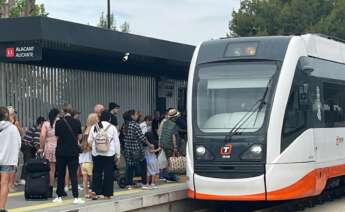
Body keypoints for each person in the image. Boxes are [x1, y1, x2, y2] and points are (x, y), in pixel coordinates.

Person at [54, 104, 84, 204]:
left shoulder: (58, 122)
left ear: (63, 111)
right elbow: (79, 137)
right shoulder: (77, 122)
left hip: (61, 152)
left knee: (61, 174)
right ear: (71, 111)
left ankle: (59, 196)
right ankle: (76, 197)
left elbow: (57, 137)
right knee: (73, 175)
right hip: (73, 152)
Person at [88, 111, 120, 200]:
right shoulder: (112, 127)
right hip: (109, 153)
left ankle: (96, 192)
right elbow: (117, 142)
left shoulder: (95, 126)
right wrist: (118, 155)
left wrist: (94, 147)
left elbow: (89, 140)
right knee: (108, 173)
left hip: (96, 153)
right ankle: (107, 194)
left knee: (96, 172)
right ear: (109, 118)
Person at [122, 110, 153, 189]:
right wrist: (149, 145)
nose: (137, 116)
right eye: (136, 114)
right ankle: (143, 182)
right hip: (137, 149)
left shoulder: (125, 125)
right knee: (143, 165)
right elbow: (142, 138)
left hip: (127, 149)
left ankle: (128, 184)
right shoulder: (135, 125)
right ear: (132, 116)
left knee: (130, 166)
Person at [0, 107, 21, 212]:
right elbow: (18, 143)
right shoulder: (13, 128)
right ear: (7, 116)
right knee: (4, 183)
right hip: (6, 160)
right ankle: (1, 208)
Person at [38, 109, 60, 195]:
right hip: (59, 146)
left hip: (49, 147)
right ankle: (61, 188)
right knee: (61, 168)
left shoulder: (46, 124)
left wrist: (41, 147)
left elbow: (43, 135)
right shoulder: (60, 123)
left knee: (51, 169)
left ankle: (50, 189)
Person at [79, 113, 98, 199]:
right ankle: (91, 192)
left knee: (84, 178)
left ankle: (86, 193)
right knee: (92, 177)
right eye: (97, 118)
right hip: (89, 158)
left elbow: (79, 141)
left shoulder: (84, 129)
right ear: (94, 120)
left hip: (82, 158)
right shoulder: (93, 129)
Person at [159, 108, 181, 182]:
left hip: (164, 145)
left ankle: (165, 175)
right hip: (170, 146)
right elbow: (173, 136)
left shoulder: (165, 123)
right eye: (176, 117)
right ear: (174, 118)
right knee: (171, 162)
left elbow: (161, 133)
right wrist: (175, 147)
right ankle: (170, 176)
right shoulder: (174, 125)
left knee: (167, 161)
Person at [21, 116, 45, 181]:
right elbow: (36, 142)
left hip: (27, 146)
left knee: (31, 161)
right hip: (27, 146)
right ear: (41, 123)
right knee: (27, 161)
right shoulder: (38, 128)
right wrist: (39, 151)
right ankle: (23, 178)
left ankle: (30, 176)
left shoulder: (34, 127)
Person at [7, 106, 24, 191]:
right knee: (13, 166)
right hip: (13, 147)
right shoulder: (15, 123)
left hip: (5, 147)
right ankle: (11, 185)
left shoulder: (3, 122)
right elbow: (21, 133)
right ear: (12, 114)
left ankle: (6, 184)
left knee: (5, 167)